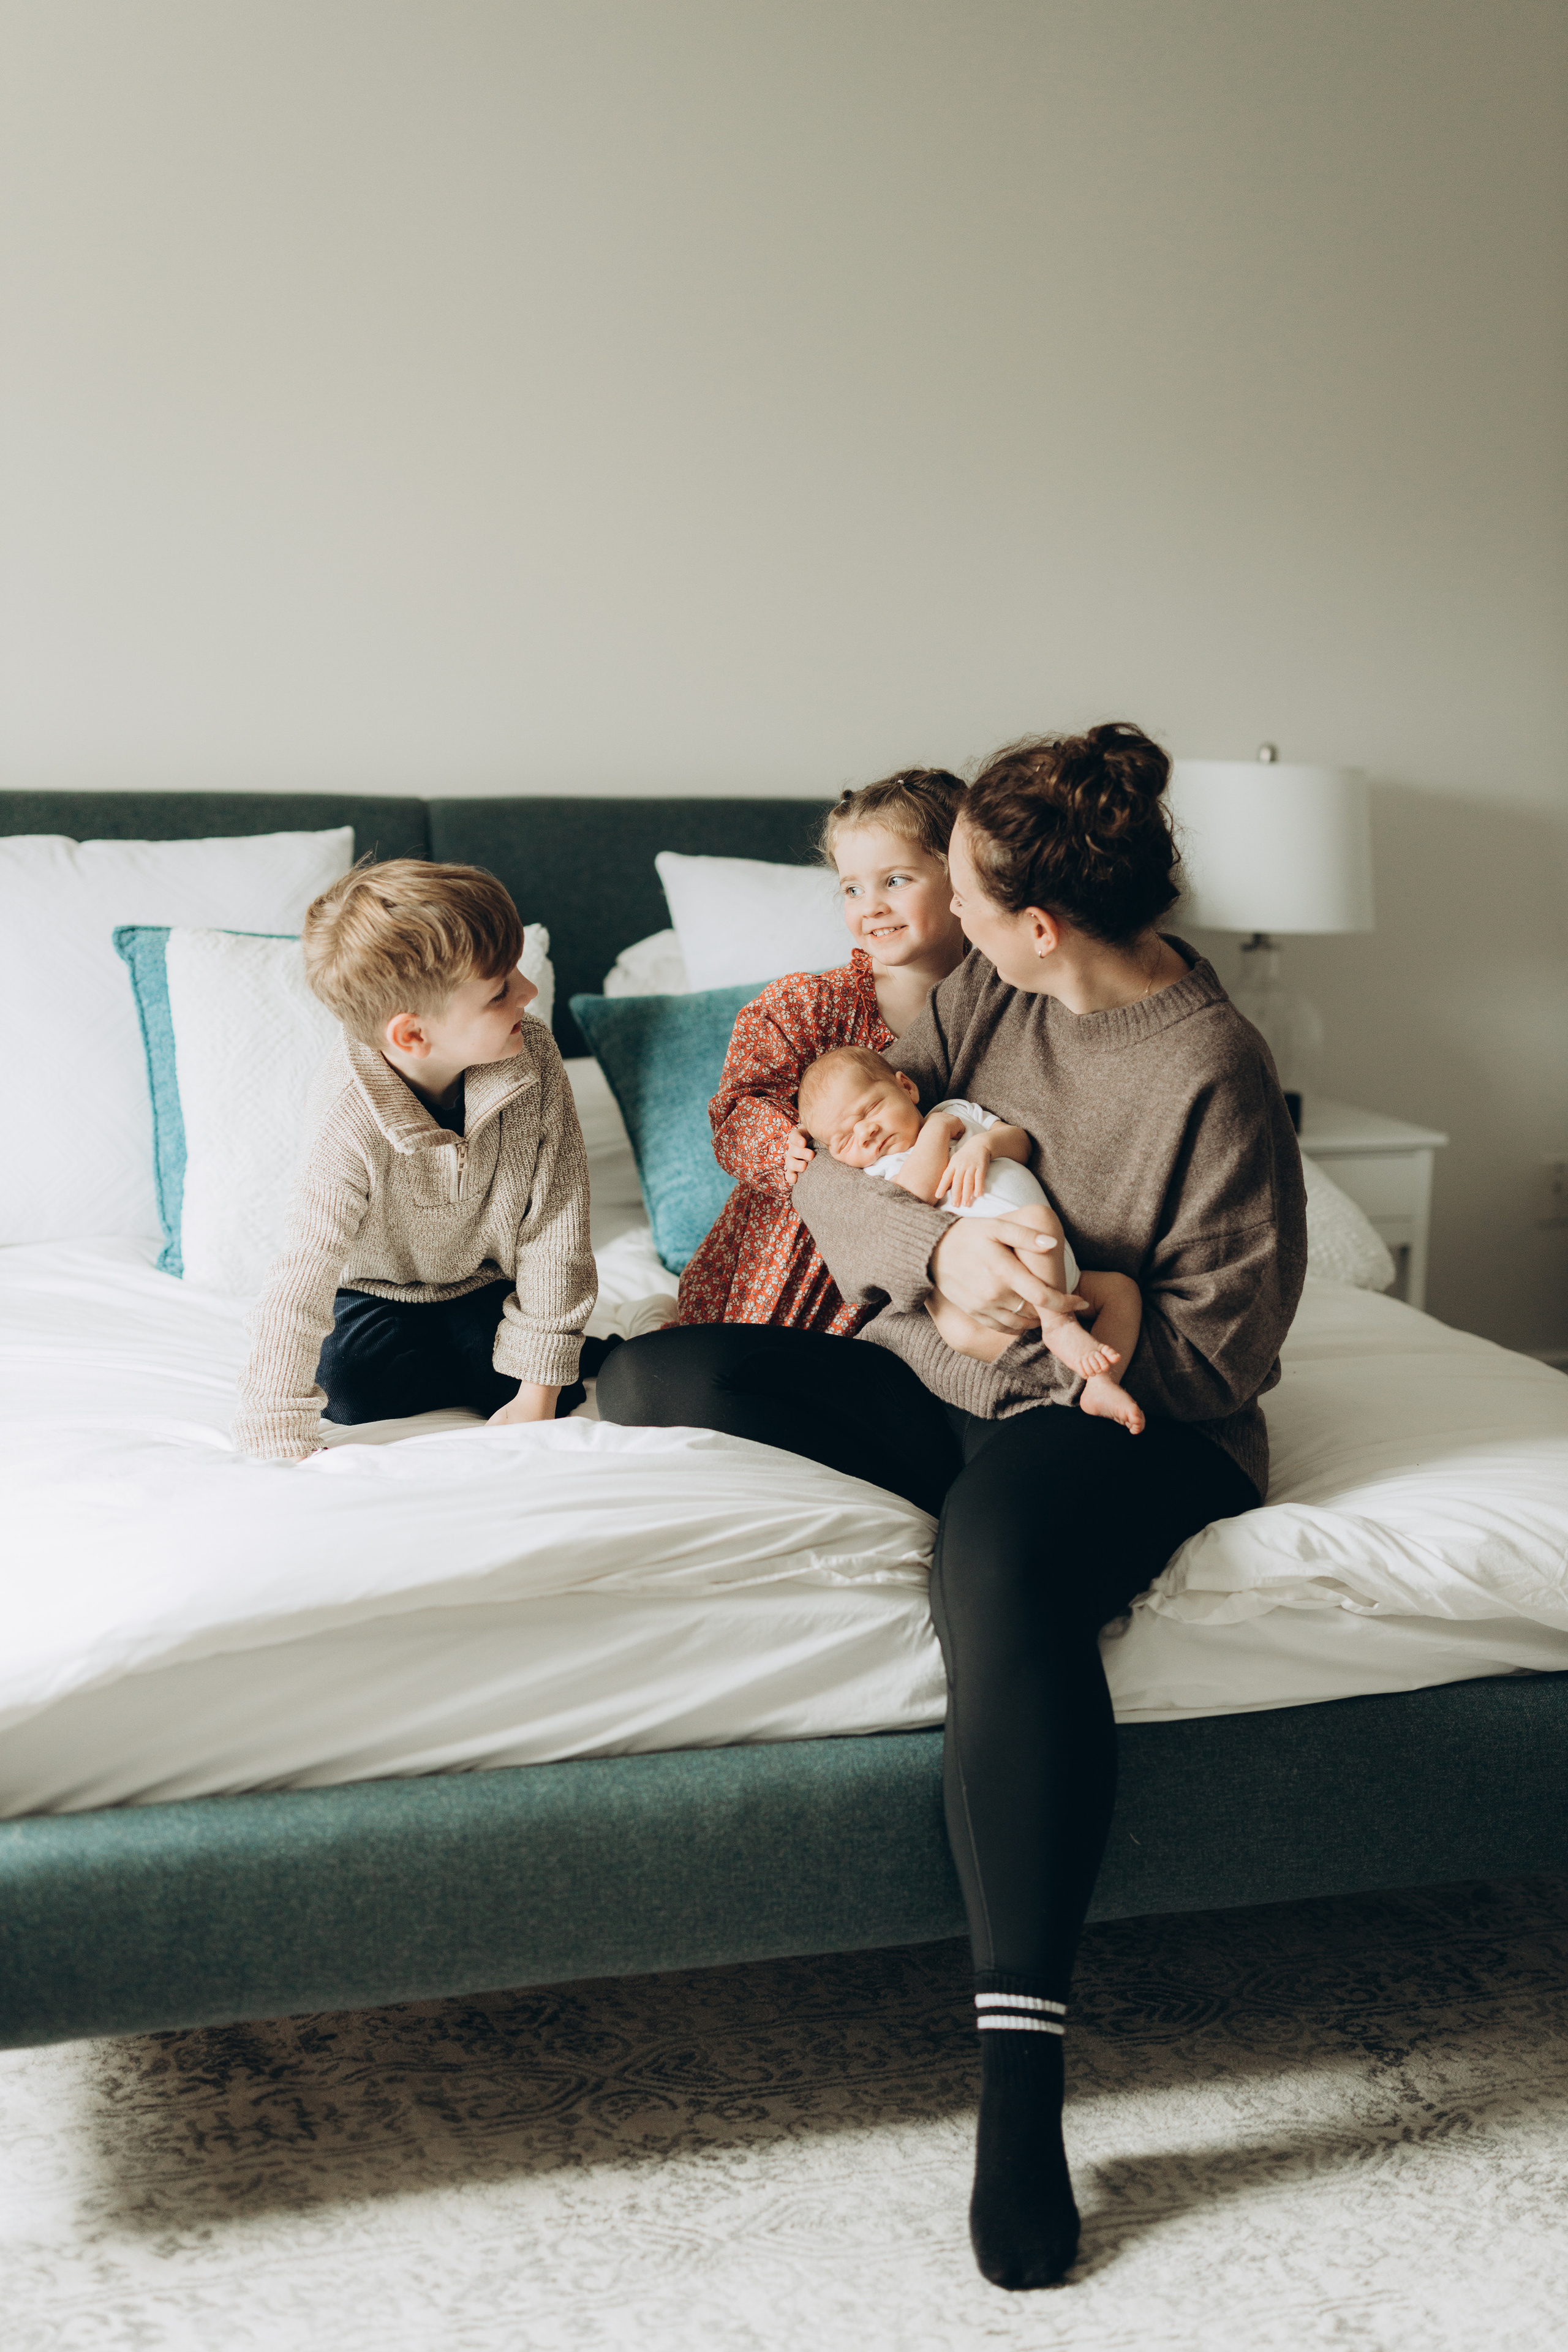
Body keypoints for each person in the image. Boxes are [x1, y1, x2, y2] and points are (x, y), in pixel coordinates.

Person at [599, 723, 1306, 2292]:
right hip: (947, 1373)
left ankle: (1020, 2083)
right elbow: (842, 1162)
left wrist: (1095, 1291)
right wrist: (936, 1263)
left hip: (1137, 1419)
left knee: (995, 1561)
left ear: (1034, 922)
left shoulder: (1210, 1065)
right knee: (658, 1378)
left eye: (961, 894)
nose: (930, 923)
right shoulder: (985, 992)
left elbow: (1228, 1342)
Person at [233, 858, 597, 1460]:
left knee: (533, 1380)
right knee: (349, 1392)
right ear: (412, 1036)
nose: (528, 993)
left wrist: (536, 1394)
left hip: (484, 1283)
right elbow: (304, 1271)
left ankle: (588, 1344)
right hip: (377, 1293)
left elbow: (556, 1221)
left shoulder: (531, 1055)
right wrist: (273, 1429)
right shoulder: (347, 1112)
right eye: (501, 989)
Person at [673, 768, 969, 1333]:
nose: (872, 905)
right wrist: (780, 1148)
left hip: (933, 1264)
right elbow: (737, 1107)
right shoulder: (809, 1005)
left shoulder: (1001, 1006)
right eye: (852, 889)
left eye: (896, 880)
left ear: (962, 878)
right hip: (795, 1256)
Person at [794, 1043, 1144, 1428]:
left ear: (906, 1087)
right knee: (1036, 1224)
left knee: (1121, 1292)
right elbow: (914, 1195)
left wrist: (983, 1145)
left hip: (1057, 1269)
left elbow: (1020, 1143)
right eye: (844, 1141)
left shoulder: (956, 1111)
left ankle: (1101, 1383)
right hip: (977, 1297)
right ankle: (1060, 1330)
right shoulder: (880, 1172)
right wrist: (938, 1132)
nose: (866, 1133)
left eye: (871, 1109)